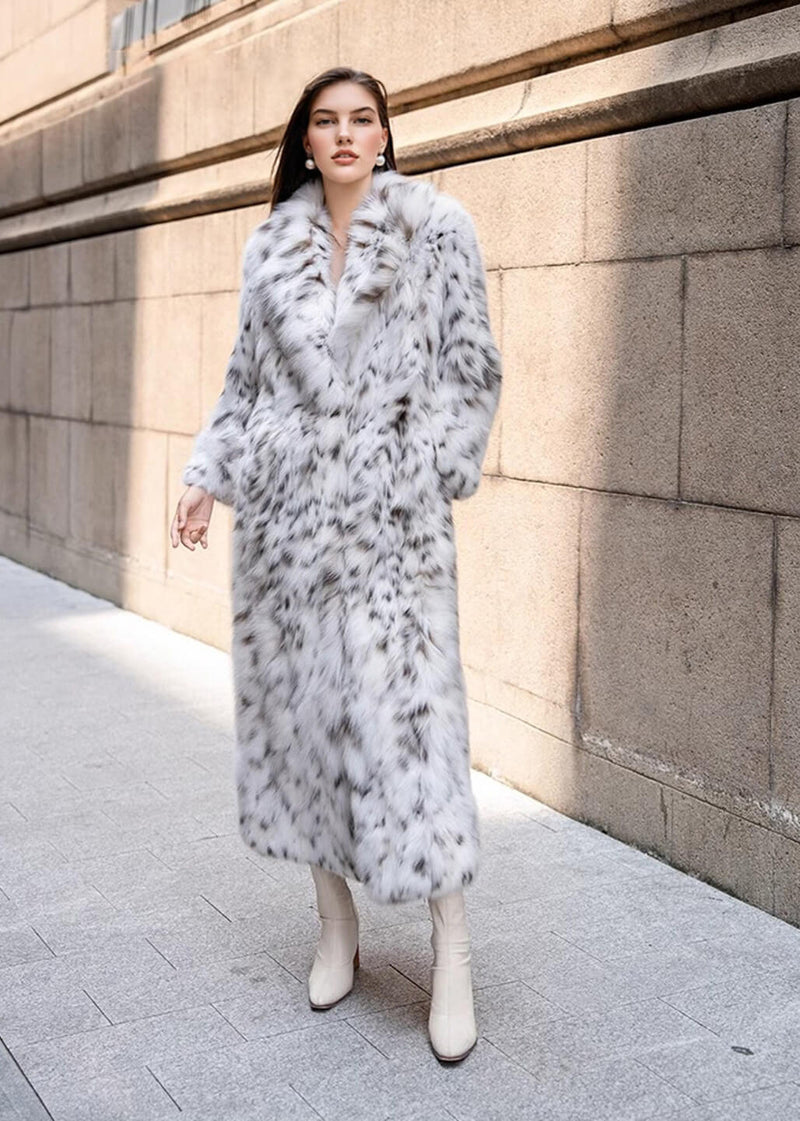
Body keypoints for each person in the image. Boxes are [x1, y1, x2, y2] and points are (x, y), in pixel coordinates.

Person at [170, 66, 502, 1063]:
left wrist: (437, 461)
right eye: (326, 121)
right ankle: (335, 924)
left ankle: (451, 948)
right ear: (305, 140)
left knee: (413, 724)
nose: (346, 134)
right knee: (301, 724)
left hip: (392, 526)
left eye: (362, 119)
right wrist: (205, 474)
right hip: (283, 526)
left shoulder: (438, 229)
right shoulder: (266, 248)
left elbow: (470, 361)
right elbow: (242, 378)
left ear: (386, 135)